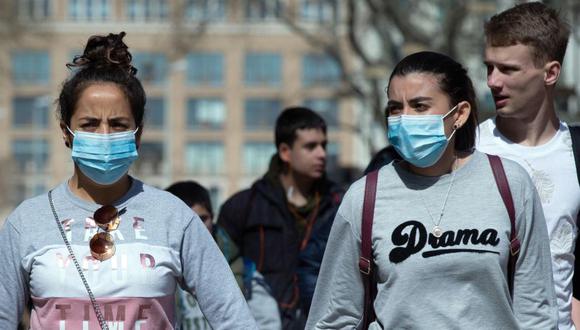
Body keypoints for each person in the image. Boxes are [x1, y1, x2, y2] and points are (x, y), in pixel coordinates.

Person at [0, 32, 256, 330]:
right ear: (66, 131)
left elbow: (234, 319)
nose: (105, 135)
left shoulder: (174, 217)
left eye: (119, 124)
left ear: (138, 132)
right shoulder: (27, 222)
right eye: (90, 124)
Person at [307, 51, 557, 329]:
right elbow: (333, 317)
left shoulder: (510, 184)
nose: (404, 118)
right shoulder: (365, 197)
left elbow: (537, 311)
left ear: (459, 114)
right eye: (395, 108)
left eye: (419, 106)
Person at [477, 3, 580, 329]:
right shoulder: (468, 149)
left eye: (507, 70)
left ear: (550, 73)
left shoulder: (576, 153)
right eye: (489, 67)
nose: (493, 81)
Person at [217, 107, 344, 329]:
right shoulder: (243, 207)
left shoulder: (341, 204)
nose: (322, 154)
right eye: (311, 146)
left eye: (324, 145)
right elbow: (220, 276)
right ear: (285, 151)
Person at [165, 181, 215, 330]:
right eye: (186, 222)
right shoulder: (154, 273)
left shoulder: (240, 268)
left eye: (202, 219)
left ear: (213, 217)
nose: (196, 229)